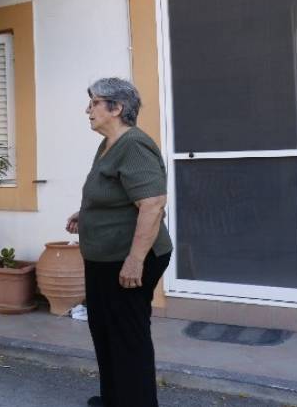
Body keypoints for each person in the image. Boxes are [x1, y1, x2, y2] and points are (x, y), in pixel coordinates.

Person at [65, 78, 172, 407]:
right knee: (105, 330)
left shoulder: (134, 145)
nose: (88, 110)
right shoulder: (109, 144)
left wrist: (135, 260)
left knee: (127, 336)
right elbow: (117, 194)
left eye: (94, 103)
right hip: (104, 259)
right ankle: (116, 398)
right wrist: (87, 214)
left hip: (128, 259)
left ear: (117, 108)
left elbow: (153, 204)